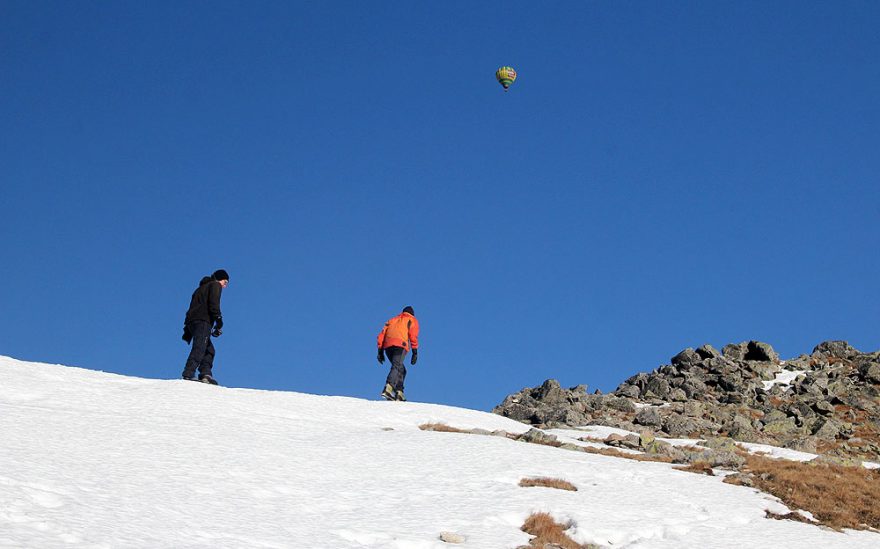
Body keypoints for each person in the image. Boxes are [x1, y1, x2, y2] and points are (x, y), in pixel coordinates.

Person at [181, 269, 229, 384]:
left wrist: (188, 330)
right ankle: (188, 373)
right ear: (219, 279)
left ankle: (205, 374)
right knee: (200, 347)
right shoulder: (215, 285)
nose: (225, 286)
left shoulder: (199, 289)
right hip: (203, 321)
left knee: (209, 350)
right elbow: (214, 303)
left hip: (194, 322)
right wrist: (218, 320)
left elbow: (191, 309)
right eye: (225, 282)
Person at [376, 305, 419, 401]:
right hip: (400, 345)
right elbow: (413, 336)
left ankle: (399, 392)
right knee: (396, 366)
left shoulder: (391, 320)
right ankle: (389, 387)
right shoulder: (412, 320)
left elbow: (381, 335)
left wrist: (380, 351)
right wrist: (415, 352)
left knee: (401, 369)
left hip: (388, 347)